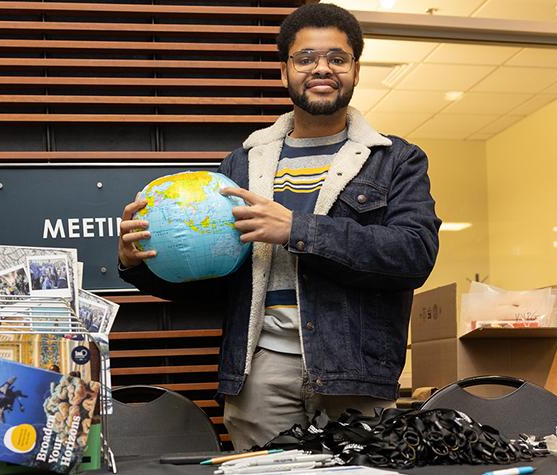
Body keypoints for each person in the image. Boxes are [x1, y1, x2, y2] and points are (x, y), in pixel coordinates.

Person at [117, 3, 440, 450]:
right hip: (260, 372)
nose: (321, 68)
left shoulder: (395, 159)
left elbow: (413, 255)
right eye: (305, 58)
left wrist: (296, 229)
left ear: (356, 70)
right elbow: (219, 280)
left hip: (355, 373)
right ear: (285, 71)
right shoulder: (243, 164)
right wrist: (138, 265)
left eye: (337, 58)